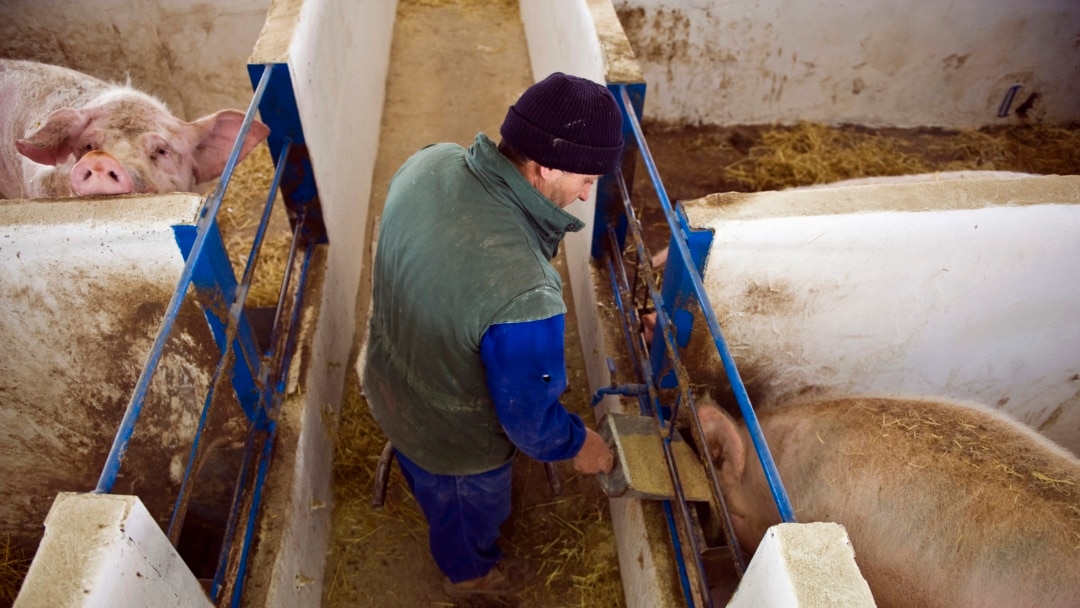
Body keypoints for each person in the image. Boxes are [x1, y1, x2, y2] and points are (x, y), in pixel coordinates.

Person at [362, 72, 622, 597]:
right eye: (587, 179)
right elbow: (529, 425)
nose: (586, 194)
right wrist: (582, 444)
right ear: (545, 163)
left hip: (387, 374)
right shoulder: (524, 292)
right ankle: (471, 575)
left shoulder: (428, 162)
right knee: (468, 514)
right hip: (449, 442)